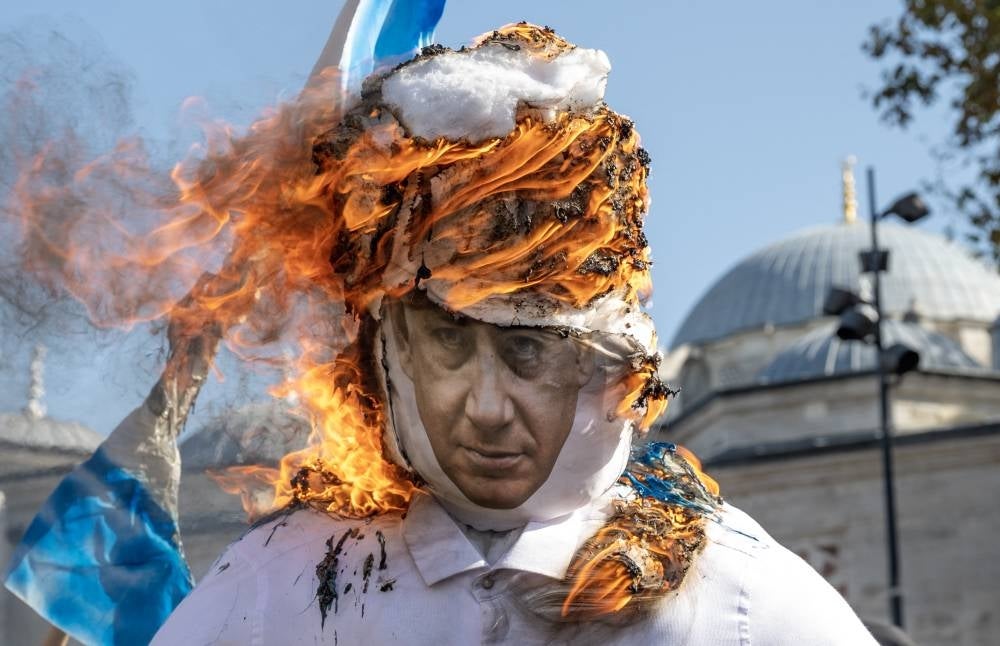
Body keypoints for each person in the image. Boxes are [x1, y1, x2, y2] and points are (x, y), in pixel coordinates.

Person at [152, 23, 878, 645]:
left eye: (528, 349)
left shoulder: (743, 608)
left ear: (611, 366)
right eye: (447, 342)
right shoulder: (273, 594)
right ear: (383, 349)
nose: (488, 407)